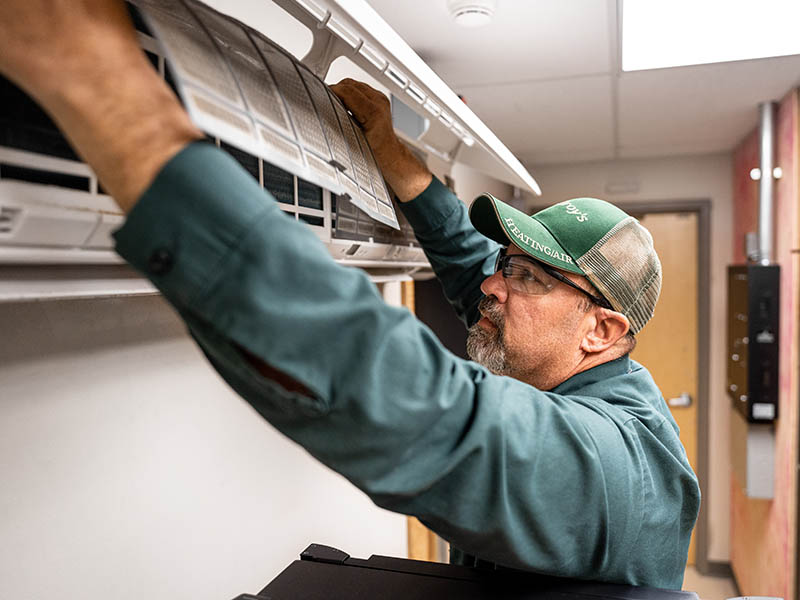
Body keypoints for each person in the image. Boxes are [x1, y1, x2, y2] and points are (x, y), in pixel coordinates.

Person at [0, 1, 699, 590]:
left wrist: (113, 101)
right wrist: (405, 168)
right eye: (507, 262)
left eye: (525, 276)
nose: (493, 283)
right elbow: (470, 269)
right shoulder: (565, 359)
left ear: (600, 332)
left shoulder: (614, 472)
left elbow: (421, 408)